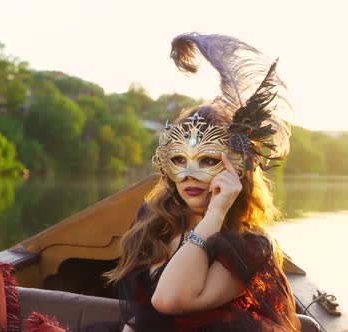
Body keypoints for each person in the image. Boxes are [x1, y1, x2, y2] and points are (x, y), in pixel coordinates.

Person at [99, 32, 300, 332]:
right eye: (179, 160)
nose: (190, 174)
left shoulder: (247, 246)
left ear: (237, 170)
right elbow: (141, 317)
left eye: (208, 160)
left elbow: (169, 299)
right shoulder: (153, 222)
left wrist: (215, 214)